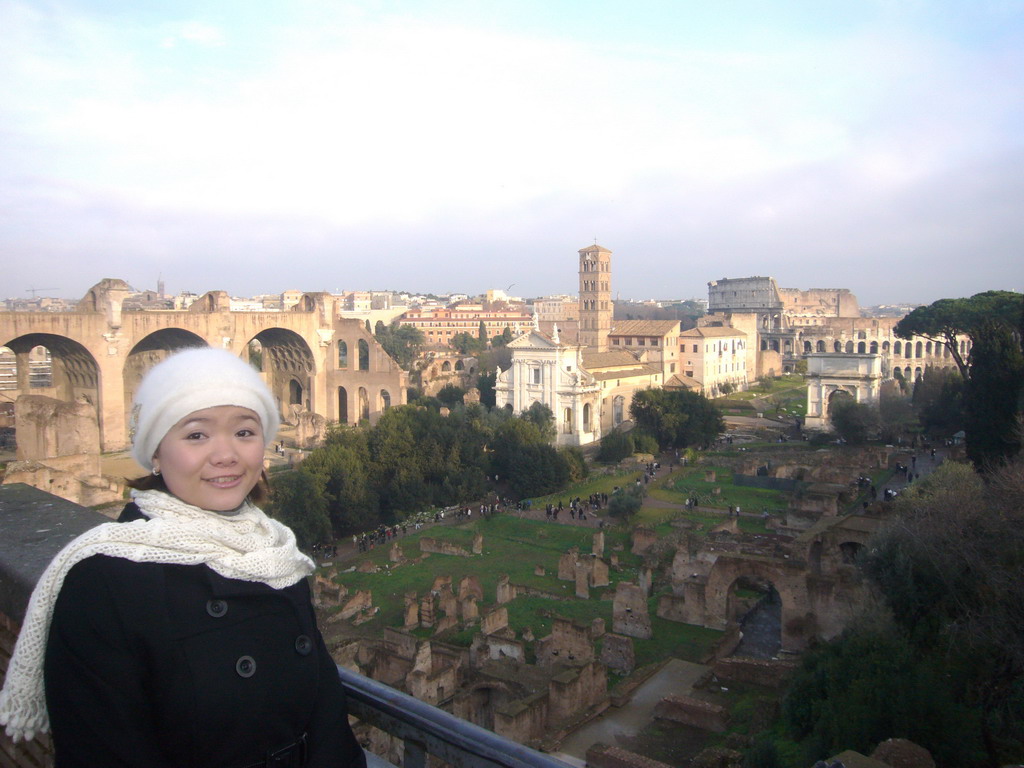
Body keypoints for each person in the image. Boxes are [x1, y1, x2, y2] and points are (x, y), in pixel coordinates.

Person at [0, 348, 366, 768]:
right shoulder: (102, 583)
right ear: (155, 452)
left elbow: (327, 729)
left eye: (245, 432)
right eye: (196, 435)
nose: (226, 454)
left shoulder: (276, 554)